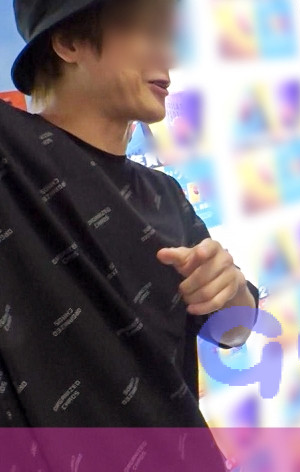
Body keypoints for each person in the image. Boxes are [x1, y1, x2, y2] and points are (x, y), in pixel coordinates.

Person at [0, 0, 259, 438]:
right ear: (69, 41)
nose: (168, 56)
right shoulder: (13, 159)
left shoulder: (165, 195)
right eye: (148, 31)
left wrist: (231, 291)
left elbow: (233, 331)